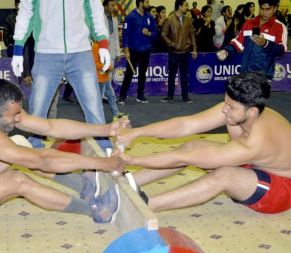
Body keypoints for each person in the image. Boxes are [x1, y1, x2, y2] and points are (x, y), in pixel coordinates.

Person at [0, 79, 128, 228]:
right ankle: (95, 209)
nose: (19, 119)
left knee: (18, 141)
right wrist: (102, 163)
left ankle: (84, 185)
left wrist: (105, 129)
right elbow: (44, 160)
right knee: (16, 180)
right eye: (14, 115)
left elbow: (51, 127)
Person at [116, 72, 291, 214]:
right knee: (194, 144)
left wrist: (131, 159)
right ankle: (125, 182)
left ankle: (147, 204)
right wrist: (136, 133)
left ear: (252, 111)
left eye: (231, 107)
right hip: (251, 166)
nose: (224, 109)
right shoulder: (240, 110)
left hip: (279, 188)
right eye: (225, 102)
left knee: (225, 175)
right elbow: (186, 125)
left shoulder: (255, 142)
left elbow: (183, 158)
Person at [11, 0, 112, 151]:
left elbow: (95, 11)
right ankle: (34, 149)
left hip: (81, 51)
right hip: (46, 52)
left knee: (94, 106)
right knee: (38, 108)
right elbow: (26, 12)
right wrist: (18, 47)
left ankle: (105, 149)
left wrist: (103, 42)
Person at [217, 0, 287, 80]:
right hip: (245, 74)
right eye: (261, 8)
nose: (264, 12)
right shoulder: (248, 23)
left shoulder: (280, 27)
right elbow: (237, 42)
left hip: (263, 76)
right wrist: (226, 51)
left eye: (268, 9)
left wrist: (265, 43)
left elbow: (282, 50)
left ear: (275, 9)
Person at [117, 0, 158, 105]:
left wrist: (149, 33)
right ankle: (122, 95)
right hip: (133, 50)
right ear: (141, 3)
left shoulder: (150, 17)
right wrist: (126, 50)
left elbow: (155, 34)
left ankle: (140, 94)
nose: (148, 4)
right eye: (147, 2)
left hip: (146, 49)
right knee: (129, 73)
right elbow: (125, 34)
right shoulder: (130, 16)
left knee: (143, 73)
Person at [160, 0, 197, 104]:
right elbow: (163, 34)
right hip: (173, 52)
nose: (187, 7)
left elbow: (192, 35)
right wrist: (172, 44)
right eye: (186, 5)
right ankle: (170, 96)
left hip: (186, 51)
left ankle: (185, 96)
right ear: (180, 6)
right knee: (171, 75)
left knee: (185, 75)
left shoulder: (188, 20)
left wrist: (194, 49)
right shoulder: (169, 19)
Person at [102, 0, 122, 114]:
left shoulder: (114, 21)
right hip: (101, 52)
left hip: (112, 53)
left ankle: (107, 99)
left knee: (108, 78)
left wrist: (118, 52)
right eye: (112, 5)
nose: (114, 7)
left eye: (114, 5)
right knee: (101, 79)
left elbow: (115, 38)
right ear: (105, 7)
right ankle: (102, 100)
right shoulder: (99, 19)